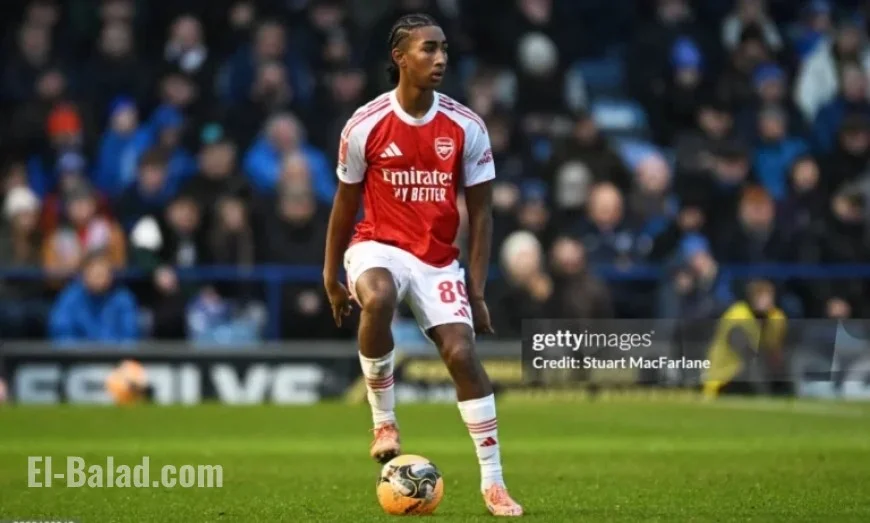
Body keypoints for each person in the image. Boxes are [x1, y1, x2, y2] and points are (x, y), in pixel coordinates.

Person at [322, 13, 522, 517]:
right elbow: (345, 205)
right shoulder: (365, 125)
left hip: (437, 259)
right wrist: (329, 273)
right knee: (381, 296)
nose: (441, 59)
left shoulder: (465, 126)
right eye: (428, 49)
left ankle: (493, 484)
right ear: (400, 59)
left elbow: (482, 214)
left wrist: (475, 291)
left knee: (460, 353)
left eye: (444, 49)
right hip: (378, 246)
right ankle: (383, 422)